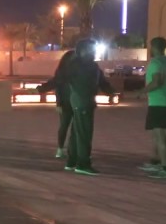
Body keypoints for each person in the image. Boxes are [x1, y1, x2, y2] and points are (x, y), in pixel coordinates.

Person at [62, 40, 115, 175]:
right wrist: (41, 89)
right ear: (82, 51)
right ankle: (83, 164)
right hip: (82, 103)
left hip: (85, 103)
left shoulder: (92, 66)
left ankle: (72, 161)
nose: (94, 52)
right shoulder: (77, 66)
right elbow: (59, 79)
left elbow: (102, 82)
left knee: (77, 132)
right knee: (84, 134)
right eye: (91, 49)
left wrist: (111, 92)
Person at [140, 36, 166, 179]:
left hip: (158, 103)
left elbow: (156, 82)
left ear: (153, 47)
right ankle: (158, 162)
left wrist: (141, 92)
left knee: (160, 137)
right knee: (161, 136)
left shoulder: (155, 63)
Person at [38, 50, 76, 159]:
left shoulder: (78, 70)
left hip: (77, 102)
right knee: (64, 126)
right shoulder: (61, 72)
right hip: (65, 103)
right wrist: (58, 103)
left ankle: (72, 150)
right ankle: (60, 149)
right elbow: (57, 87)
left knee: (76, 128)